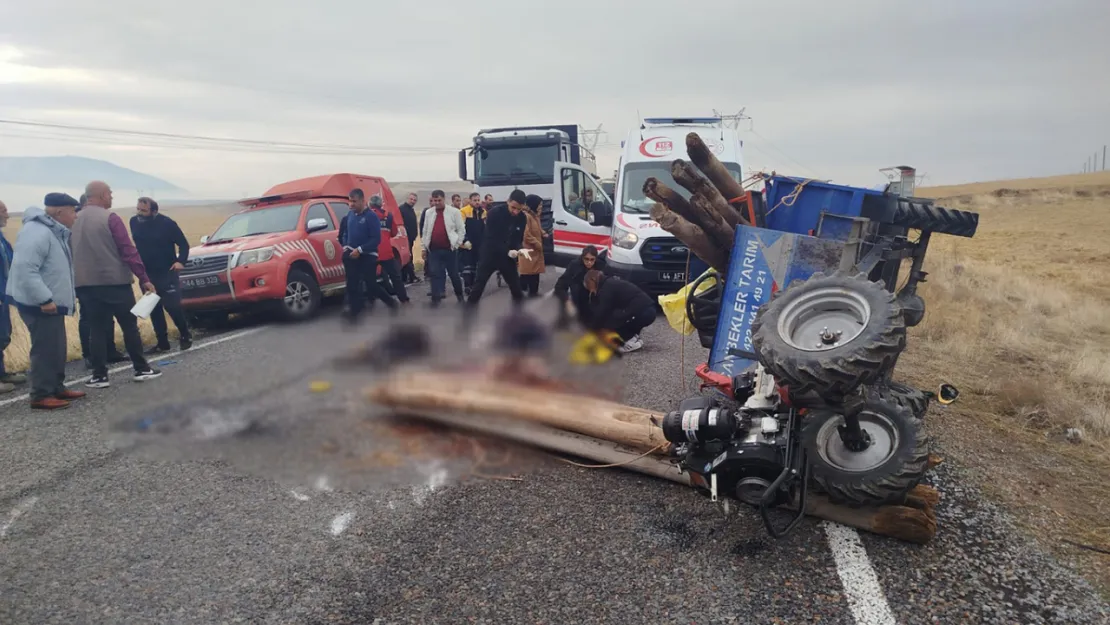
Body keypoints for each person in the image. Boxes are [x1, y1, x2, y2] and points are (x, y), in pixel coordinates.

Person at [71, 181, 162, 388]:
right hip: (114, 282)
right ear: (102, 195)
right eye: (110, 193)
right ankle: (141, 368)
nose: (112, 197)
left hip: (84, 284)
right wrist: (143, 277)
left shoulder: (73, 219)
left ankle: (99, 375)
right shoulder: (110, 218)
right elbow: (127, 249)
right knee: (129, 326)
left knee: (97, 329)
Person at [5, 194, 87, 409]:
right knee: (44, 348)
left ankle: (56, 387)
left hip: (50, 303)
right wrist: (44, 298)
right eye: (72, 210)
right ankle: (41, 394)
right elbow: (25, 269)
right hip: (40, 303)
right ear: (59, 212)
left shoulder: (51, 231)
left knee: (56, 347)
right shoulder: (37, 233)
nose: (75, 216)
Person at [129, 197, 192, 353]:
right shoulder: (133, 222)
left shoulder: (167, 223)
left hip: (167, 271)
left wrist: (180, 261)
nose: (139, 213)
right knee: (153, 308)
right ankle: (162, 342)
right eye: (138, 209)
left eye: (144, 210)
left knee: (172, 306)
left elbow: (183, 244)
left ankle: (185, 335)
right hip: (147, 273)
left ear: (154, 211)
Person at [75, 193, 126, 369]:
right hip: (86, 278)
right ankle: (90, 355)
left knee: (105, 315)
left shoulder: (83, 221)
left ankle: (108, 351)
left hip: (99, 276)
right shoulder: (75, 222)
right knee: (89, 318)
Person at [339, 188, 397, 321]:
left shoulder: (371, 217)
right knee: (352, 283)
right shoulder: (350, 216)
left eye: (354, 201)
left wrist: (360, 250)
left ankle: (391, 302)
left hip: (368, 255)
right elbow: (345, 233)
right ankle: (354, 313)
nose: (351, 204)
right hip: (351, 254)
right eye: (350, 201)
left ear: (362, 201)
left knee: (371, 285)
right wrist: (345, 246)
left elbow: (376, 239)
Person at [466, 189, 528, 309]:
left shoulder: (522, 218)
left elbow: (517, 238)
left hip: (507, 258)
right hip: (490, 254)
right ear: (508, 202)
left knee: (516, 288)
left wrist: (518, 249)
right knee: (478, 286)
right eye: (513, 207)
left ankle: (520, 317)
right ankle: (467, 314)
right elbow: (491, 237)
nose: (515, 212)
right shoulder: (494, 213)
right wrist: (507, 251)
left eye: (519, 209)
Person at [582, 269, 656, 353]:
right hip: (647, 309)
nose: (590, 290)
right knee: (615, 318)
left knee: (613, 321)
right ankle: (634, 338)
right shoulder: (609, 283)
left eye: (589, 287)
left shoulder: (607, 288)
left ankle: (631, 339)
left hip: (644, 311)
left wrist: (592, 330)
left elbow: (603, 312)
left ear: (593, 280)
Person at [419, 189, 466, 306]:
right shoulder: (429, 212)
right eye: (434, 200)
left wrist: (457, 243)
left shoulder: (454, 212)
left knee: (453, 274)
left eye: (439, 200)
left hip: (449, 248)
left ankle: (460, 295)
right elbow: (425, 231)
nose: (436, 203)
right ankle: (435, 298)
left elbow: (461, 229)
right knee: (434, 273)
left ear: (444, 199)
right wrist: (424, 247)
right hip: (434, 249)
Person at [0, 199, 28, 394]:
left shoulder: (1, 237)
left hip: (4, 294)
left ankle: (2, 373)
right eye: (3, 211)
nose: (7, 215)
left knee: (3, 335)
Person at [553, 245, 611, 328]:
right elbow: (560, 286)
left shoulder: (601, 266)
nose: (589, 262)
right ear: (582, 258)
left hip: (594, 301)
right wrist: (567, 301)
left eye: (592, 260)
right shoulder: (575, 266)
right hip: (578, 298)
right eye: (586, 259)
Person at [367, 194, 409, 305]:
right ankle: (404, 299)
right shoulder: (388, 216)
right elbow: (394, 233)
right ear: (381, 204)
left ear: (370, 204)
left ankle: (371, 300)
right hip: (386, 251)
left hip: (371, 252)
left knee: (369, 278)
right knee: (395, 277)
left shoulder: (367, 216)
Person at [518, 194, 546, 298]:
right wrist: (538, 244)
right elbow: (526, 234)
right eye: (539, 205)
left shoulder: (534, 215)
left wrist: (543, 233)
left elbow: (537, 228)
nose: (541, 207)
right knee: (529, 274)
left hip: (534, 251)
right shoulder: (526, 216)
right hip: (529, 251)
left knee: (534, 273)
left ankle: (532, 294)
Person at [458, 192, 485, 295]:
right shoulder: (464, 211)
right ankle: (467, 286)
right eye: (475, 200)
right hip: (467, 243)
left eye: (478, 200)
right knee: (467, 267)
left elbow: (485, 228)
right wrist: (465, 240)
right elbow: (461, 227)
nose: (477, 202)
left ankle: (474, 285)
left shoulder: (483, 212)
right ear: (470, 201)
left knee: (477, 266)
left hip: (479, 243)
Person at [398, 192, 420, 284]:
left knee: (409, 257)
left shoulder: (411, 210)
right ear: (407, 199)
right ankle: (410, 277)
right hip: (404, 238)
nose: (412, 201)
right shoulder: (401, 209)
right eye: (411, 199)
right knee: (407, 257)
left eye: (414, 200)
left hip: (411, 238)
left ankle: (407, 277)